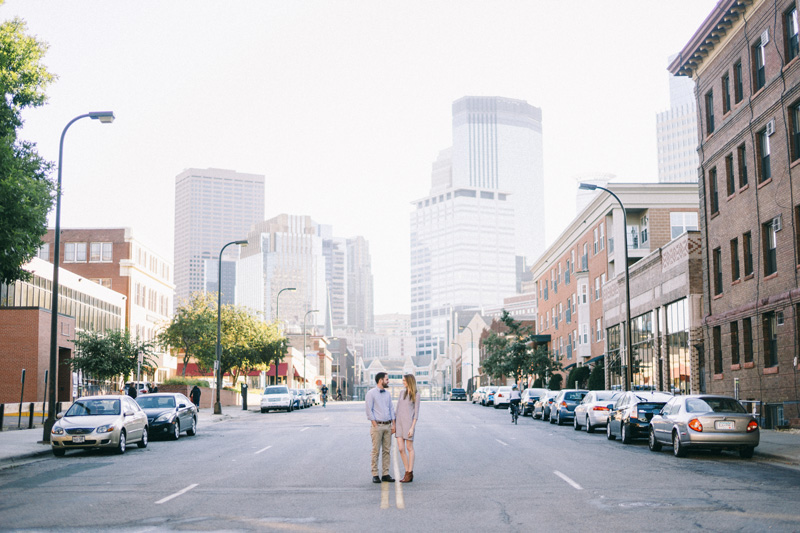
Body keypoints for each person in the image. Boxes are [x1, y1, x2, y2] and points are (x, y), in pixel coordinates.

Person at [365, 372, 395, 483]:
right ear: (380, 380)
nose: (388, 381)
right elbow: (369, 410)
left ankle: (385, 474)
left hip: (388, 425)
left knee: (387, 451)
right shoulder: (371, 393)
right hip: (377, 425)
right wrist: (375, 425)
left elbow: (391, 409)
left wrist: (393, 424)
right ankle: (375, 474)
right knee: (376, 451)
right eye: (386, 379)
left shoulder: (388, 394)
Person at [395, 374, 420, 483]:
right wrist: (394, 424)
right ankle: (406, 471)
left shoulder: (416, 394)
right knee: (401, 448)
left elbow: (416, 414)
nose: (403, 382)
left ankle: (409, 473)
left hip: (409, 424)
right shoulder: (401, 393)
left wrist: (412, 428)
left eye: (404, 380)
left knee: (409, 448)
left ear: (409, 381)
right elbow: (397, 409)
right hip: (399, 424)